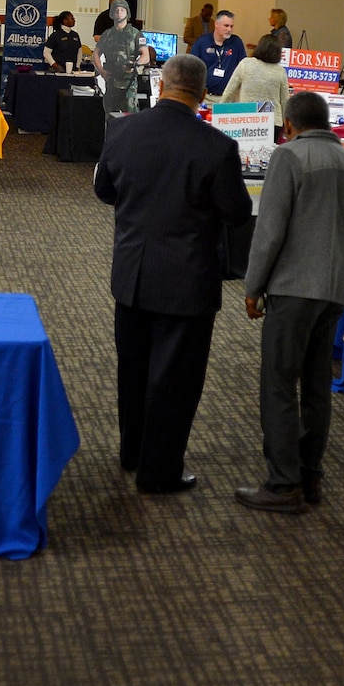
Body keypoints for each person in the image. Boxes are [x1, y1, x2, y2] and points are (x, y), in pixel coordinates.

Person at [93, 54, 253, 494]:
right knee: (175, 380)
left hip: (132, 273)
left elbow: (105, 191)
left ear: (160, 85)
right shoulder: (218, 147)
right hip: (187, 281)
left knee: (134, 368)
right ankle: (159, 470)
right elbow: (237, 213)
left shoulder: (122, 130)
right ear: (203, 95)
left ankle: (132, 452)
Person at [235, 91, 344, 514]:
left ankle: (283, 483)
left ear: (288, 125)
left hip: (294, 289)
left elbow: (269, 231)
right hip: (336, 290)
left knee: (278, 384)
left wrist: (253, 286)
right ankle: (311, 477)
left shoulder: (288, 158)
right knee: (315, 387)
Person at [95, 0, 143, 116]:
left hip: (129, 85)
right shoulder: (107, 34)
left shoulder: (135, 34)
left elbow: (145, 54)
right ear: (112, 13)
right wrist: (102, 71)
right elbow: (96, 54)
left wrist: (135, 65)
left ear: (127, 13)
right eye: (116, 9)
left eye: (122, 9)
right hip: (111, 84)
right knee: (110, 118)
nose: (119, 12)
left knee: (130, 120)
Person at [221, 34, 289, 114]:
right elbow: (285, 101)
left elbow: (229, 92)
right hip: (273, 120)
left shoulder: (245, 64)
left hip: (247, 117)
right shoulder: (280, 71)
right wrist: (287, 122)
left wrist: (219, 113)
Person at [192, 9, 246, 100]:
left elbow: (243, 67)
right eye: (226, 26)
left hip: (229, 98)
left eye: (231, 26)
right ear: (216, 24)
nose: (229, 29)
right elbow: (192, 68)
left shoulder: (236, 42)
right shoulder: (202, 42)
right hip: (207, 97)